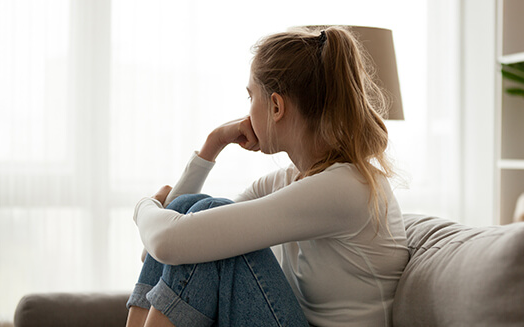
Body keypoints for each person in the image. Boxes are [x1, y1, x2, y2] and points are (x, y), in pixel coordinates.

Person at [126, 26, 409, 327]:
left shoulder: (347, 187)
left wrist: (144, 206)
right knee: (198, 213)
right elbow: (163, 251)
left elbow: (167, 241)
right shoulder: (288, 181)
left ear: (276, 106)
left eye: (250, 96)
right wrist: (213, 145)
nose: (246, 113)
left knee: (207, 213)